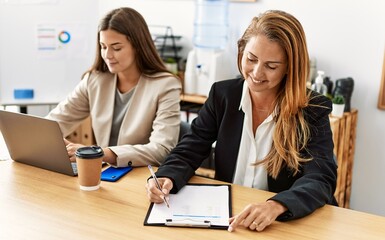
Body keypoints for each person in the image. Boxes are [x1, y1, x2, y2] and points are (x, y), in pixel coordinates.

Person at [146, 10, 337, 232]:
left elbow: (321, 177)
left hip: (281, 224)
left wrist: (277, 205)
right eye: (251, 59)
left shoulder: (312, 109)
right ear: (241, 52)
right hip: (232, 217)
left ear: (289, 68)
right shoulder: (223, 95)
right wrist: (166, 176)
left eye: (271, 66)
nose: (256, 73)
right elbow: (190, 149)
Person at [47, 7, 181, 167]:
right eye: (103, 47)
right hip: (103, 173)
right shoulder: (95, 80)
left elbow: (161, 149)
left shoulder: (165, 85)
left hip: (141, 177)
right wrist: (49, 139)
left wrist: (101, 154)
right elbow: (56, 121)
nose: (108, 55)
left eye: (116, 48)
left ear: (137, 46)